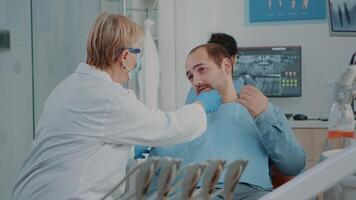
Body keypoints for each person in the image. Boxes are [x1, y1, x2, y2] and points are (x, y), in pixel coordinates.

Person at [12, 13, 222, 200]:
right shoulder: (109, 97)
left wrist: (129, 151)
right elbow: (166, 127)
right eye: (137, 55)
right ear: (124, 56)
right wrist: (200, 107)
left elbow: (83, 144)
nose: (137, 63)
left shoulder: (68, 87)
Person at [148, 44, 306, 200]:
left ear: (226, 66)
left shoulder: (262, 110)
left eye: (201, 69)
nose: (195, 81)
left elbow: (294, 165)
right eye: (190, 76)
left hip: (255, 193)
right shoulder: (189, 117)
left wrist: (264, 116)